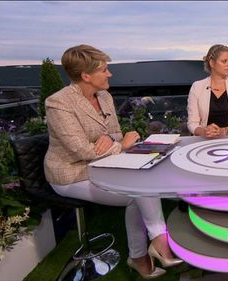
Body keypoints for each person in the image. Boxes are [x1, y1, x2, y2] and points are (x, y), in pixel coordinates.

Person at [44, 44, 182, 279]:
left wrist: (111, 141)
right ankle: (154, 245)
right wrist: (120, 145)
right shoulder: (58, 103)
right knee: (136, 194)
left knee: (141, 185)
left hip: (103, 164)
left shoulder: (105, 96)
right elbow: (81, 151)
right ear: (86, 76)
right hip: (71, 173)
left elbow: (116, 134)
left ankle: (143, 253)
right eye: (104, 70)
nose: (110, 74)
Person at [187, 44, 228, 137]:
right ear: (212, 63)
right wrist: (204, 132)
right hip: (204, 142)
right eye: (224, 61)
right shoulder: (197, 87)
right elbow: (192, 123)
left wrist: (224, 131)